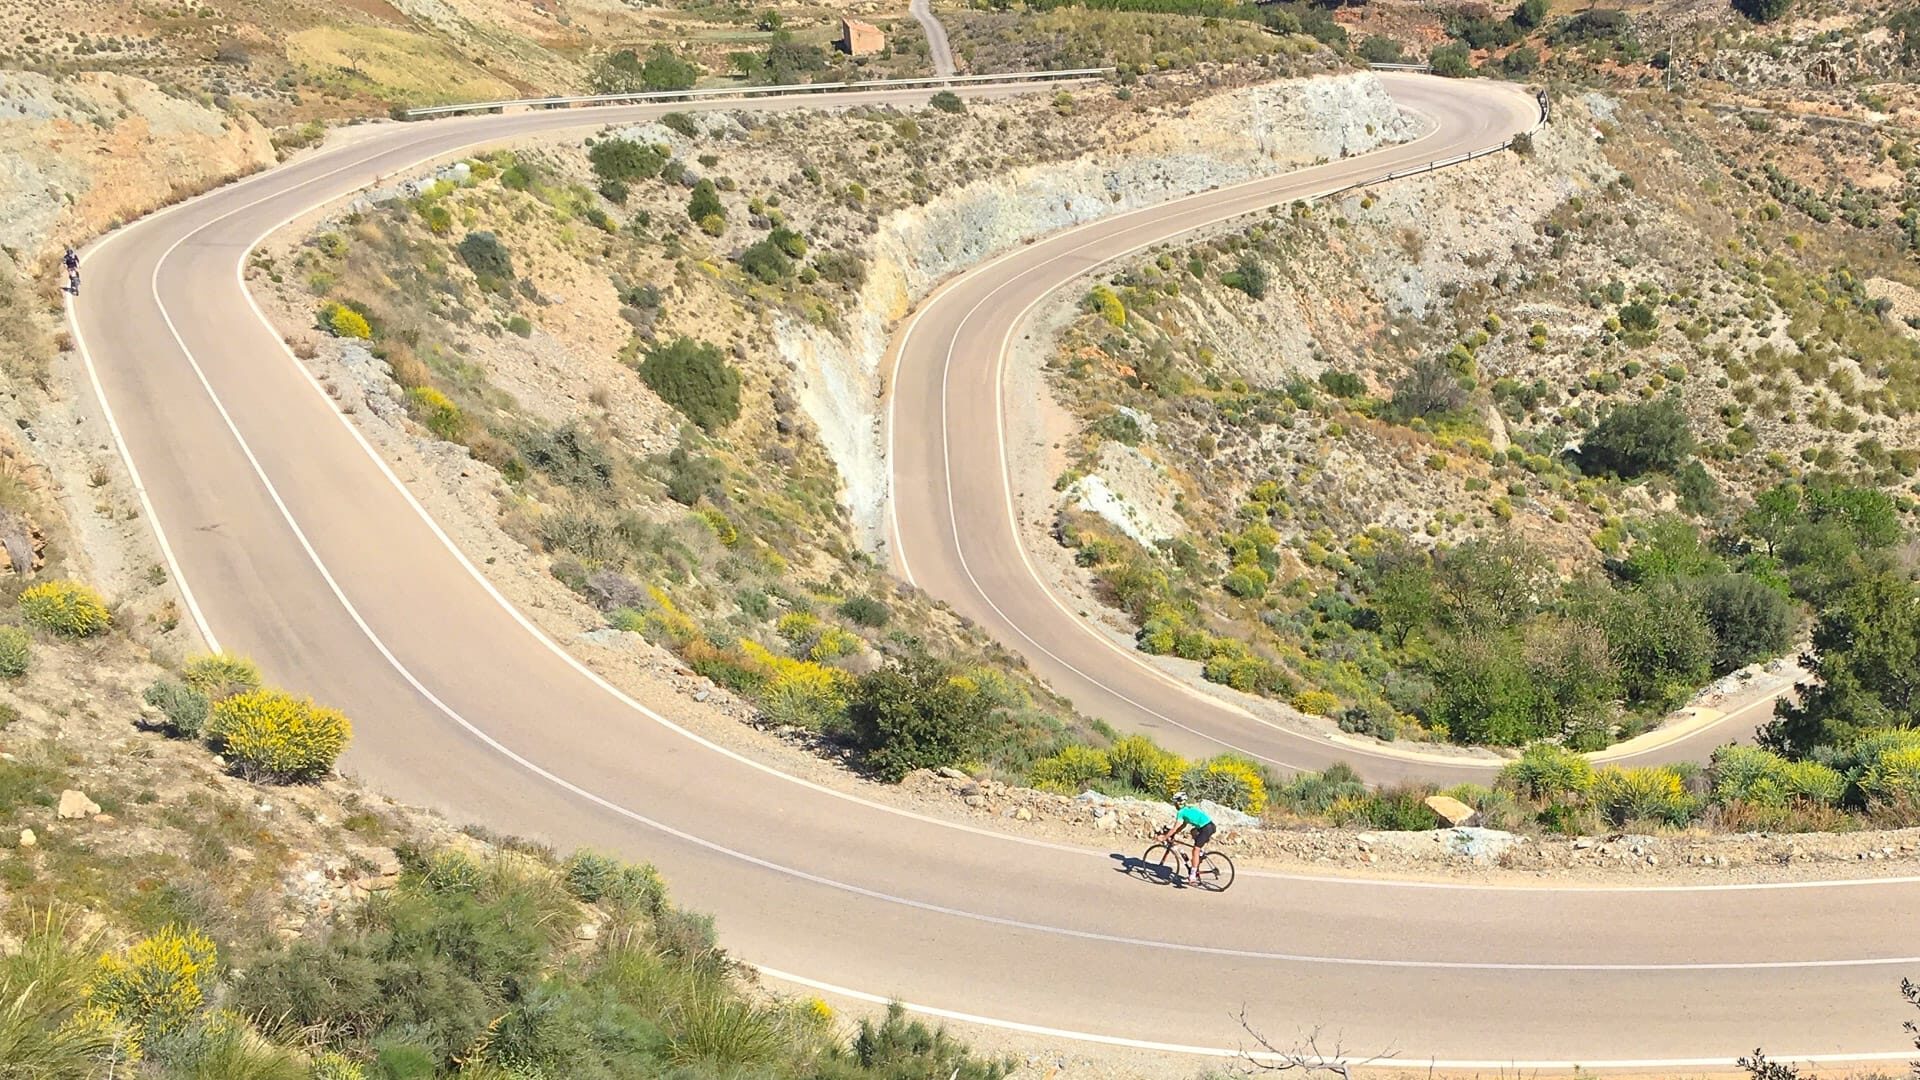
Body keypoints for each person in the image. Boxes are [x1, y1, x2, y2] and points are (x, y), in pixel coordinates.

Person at [1160, 791, 1215, 886]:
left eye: (1175, 803)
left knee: (1195, 851)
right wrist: (1174, 833)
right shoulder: (1188, 808)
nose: (1174, 805)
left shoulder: (1181, 812)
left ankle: (1192, 876)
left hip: (1206, 828)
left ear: (1178, 803)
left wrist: (1164, 837)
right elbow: (1183, 825)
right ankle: (1200, 853)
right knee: (1193, 831)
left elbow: (1174, 828)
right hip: (1209, 826)